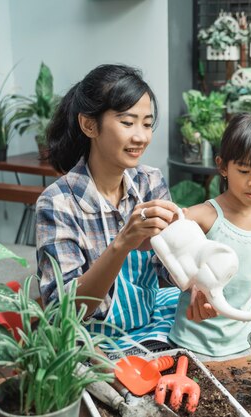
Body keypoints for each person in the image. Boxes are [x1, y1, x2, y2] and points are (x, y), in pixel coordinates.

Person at [36, 64, 183, 353]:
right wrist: (122, 244)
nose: (140, 136)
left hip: (149, 320)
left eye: (146, 123)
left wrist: (196, 281)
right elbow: (63, 312)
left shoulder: (149, 181)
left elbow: (169, 271)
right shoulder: (57, 203)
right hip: (90, 338)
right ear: (89, 125)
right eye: (128, 123)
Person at [168, 112, 251, 361]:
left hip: (243, 341)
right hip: (195, 341)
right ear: (223, 166)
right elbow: (171, 256)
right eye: (245, 170)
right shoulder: (204, 217)